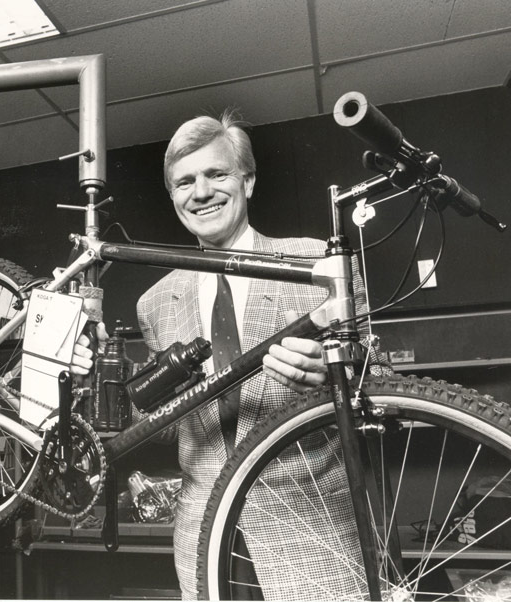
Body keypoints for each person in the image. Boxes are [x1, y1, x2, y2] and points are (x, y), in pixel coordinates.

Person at [72, 112, 386, 600]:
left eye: (216, 174)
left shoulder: (316, 264)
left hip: (311, 530)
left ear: (248, 180)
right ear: (174, 197)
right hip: (207, 537)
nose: (201, 192)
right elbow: (176, 422)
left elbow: (384, 381)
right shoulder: (155, 301)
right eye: (184, 182)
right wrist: (117, 382)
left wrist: (332, 373)